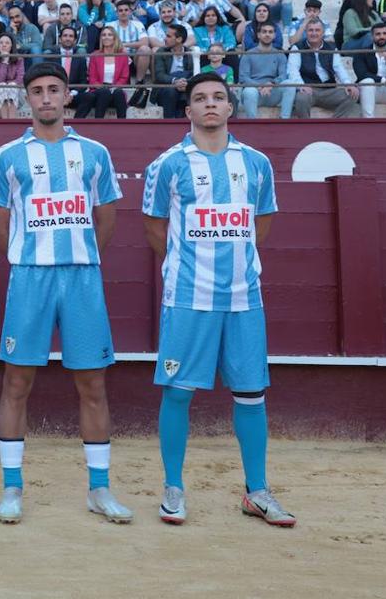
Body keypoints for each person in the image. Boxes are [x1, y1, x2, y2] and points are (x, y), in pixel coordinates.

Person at [142, 72, 295, 528]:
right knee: (178, 391)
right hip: (189, 297)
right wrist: (189, 267)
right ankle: (173, 486)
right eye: (200, 99)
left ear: (231, 107)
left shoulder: (257, 164)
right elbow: (156, 230)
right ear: (187, 110)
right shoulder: (167, 164)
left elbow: (260, 225)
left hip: (244, 298)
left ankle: (258, 491)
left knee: (251, 394)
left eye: (218, 98)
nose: (210, 104)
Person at [0, 62, 131, 525]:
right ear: (27, 98)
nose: (46, 98)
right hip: (30, 276)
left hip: (82, 277)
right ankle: (11, 488)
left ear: (67, 96)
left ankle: (99, 488)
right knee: (16, 381)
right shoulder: (8, 155)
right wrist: (28, 255)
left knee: (92, 382)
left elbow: (105, 218)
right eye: (37, 91)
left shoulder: (94, 153)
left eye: (53, 90)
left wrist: (80, 253)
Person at [286, 21, 362, 117]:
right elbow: (292, 70)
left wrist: (348, 84)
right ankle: (305, 128)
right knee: (301, 98)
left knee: (353, 94)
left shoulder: (331, 48)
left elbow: (339, 68)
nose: (314, 33)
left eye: (317, 30)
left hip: (329, 90)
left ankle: (333, 126)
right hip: (309, 89)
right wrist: (301, 86)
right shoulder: (297, 47)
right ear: (306, 32)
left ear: (323, 33)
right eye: (310, 30)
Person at [239, 22, 310, 119]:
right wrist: (260, 86)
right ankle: (252, 123)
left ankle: (284, 119)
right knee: (249, 91)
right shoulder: (248, 54)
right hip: (255, 91)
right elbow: (243, 78)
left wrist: (271, 84)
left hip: (273, 91)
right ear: (258, 35)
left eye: (270, 32)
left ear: (274, 35)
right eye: (264, 32)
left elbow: (283, 75)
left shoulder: (280, 54)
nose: (267, 34)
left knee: (289, 84)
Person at [86, 26, 131, 118]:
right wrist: (104, 88)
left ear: (114, 38)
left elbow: (124, 77)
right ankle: (98, 123)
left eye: (109, 35)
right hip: (98, 90)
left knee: (119, 93)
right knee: (104, 92)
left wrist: (114, 88)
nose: (106, 37)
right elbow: (92, 79)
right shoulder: (95, 55)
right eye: (104, 35)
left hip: (115, 89)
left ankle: (123, 125)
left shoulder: (123, 55)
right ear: (101, 38)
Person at [153, 23, 195, 118]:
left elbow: (194, 74)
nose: (164, 39)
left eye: (168, 36)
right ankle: (170, 122)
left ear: (179, 39)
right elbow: (159, 75)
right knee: (171, 90)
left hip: (184, 86)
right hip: (165, 88)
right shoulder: (161, 52)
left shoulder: (190, 53)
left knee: (189, 89)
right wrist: (175, 81)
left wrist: (185, 83)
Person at [0, 34, 24, 118]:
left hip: (15, 95)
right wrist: (4, 62)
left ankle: (10, 122)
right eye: (1, 43)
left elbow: (20, 79)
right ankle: (7, 123)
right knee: (2, 85)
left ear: (11, 46)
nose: (4, 45)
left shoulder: (19, 59)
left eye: (7, 43)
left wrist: (9, 85)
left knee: (12, 86)